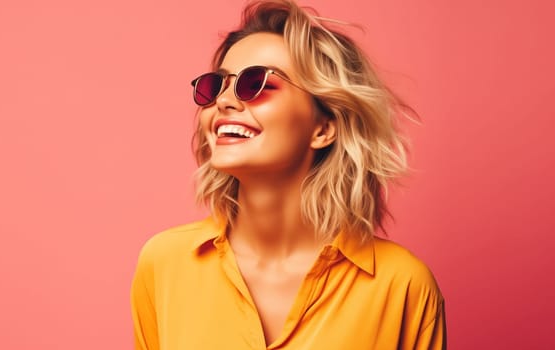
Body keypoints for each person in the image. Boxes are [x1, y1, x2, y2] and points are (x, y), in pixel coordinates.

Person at [130, 0, 446, 348]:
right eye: (216, 86)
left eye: (255, 83)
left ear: (324, 128)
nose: (223, 102)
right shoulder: (164, 264)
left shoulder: (402, 286)